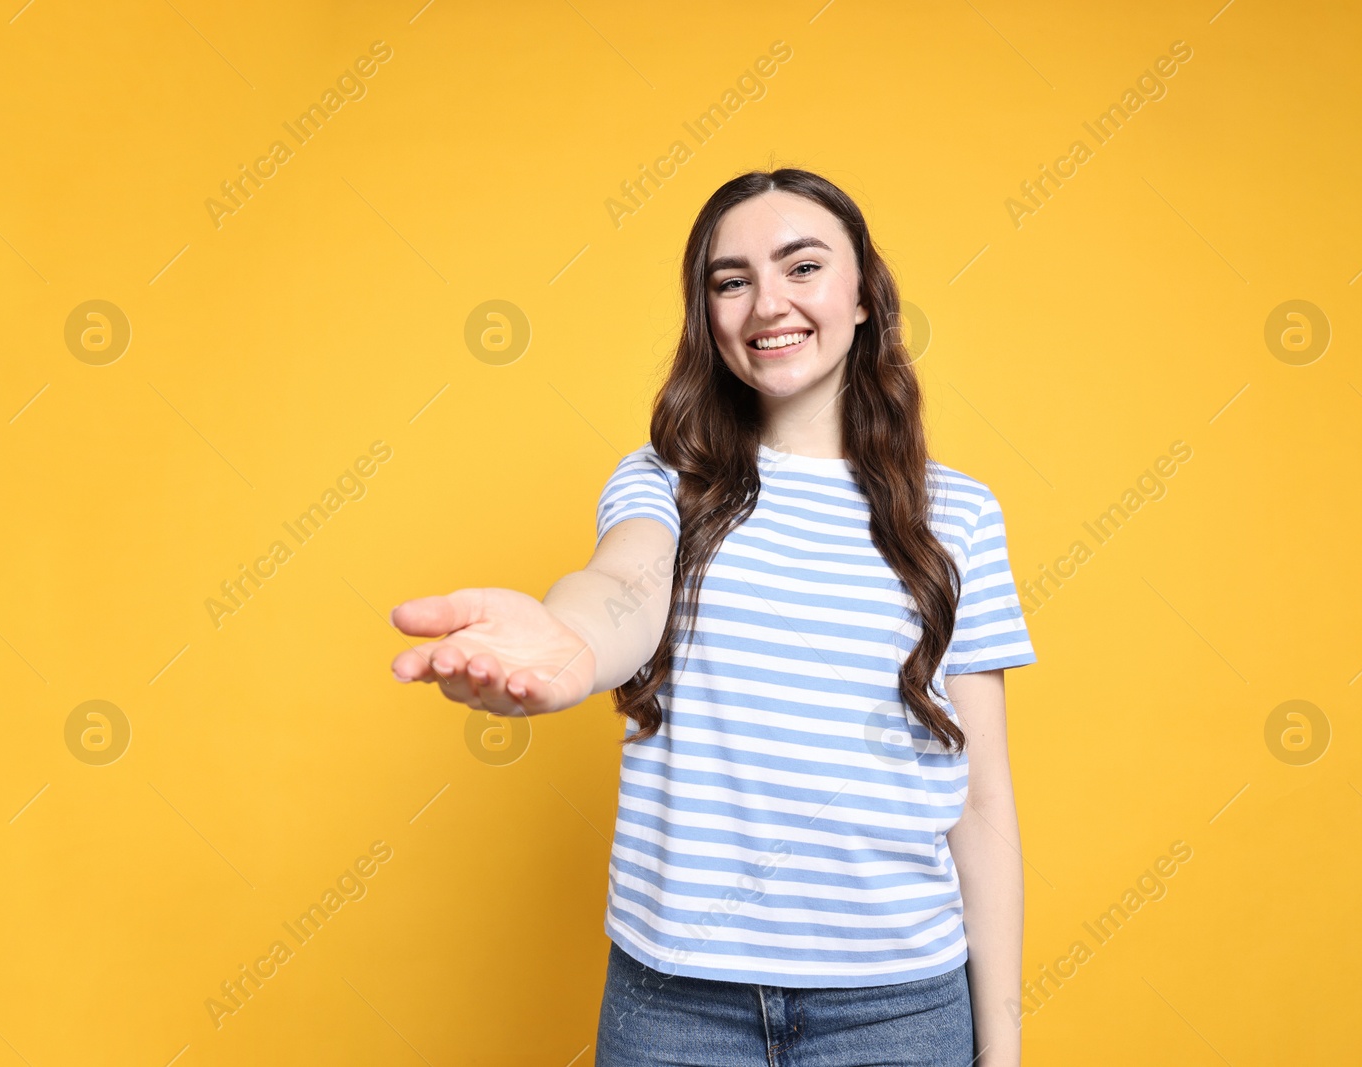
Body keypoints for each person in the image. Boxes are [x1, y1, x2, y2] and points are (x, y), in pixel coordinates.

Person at [389, 168, 1037, 1067]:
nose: (766, 302)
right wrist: (572, 642)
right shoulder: (665, 481)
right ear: (709, 316)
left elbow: (985, 799)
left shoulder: (956, 514)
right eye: (731, 281)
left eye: (802, 267)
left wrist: (1002, 1049)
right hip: (676, 1008)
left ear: (863, 298)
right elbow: (624, 583)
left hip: (897, 1011)